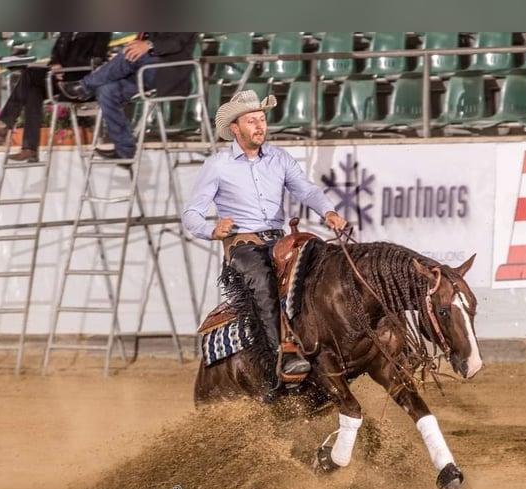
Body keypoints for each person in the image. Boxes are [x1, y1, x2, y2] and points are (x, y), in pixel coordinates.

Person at [182, 90, 347, 395]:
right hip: (243, 247)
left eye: (262, 119)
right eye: (252, 120)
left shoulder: (279, 158)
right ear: (236, 128)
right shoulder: (218, 165)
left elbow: (307, 191)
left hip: (278, 241)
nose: (260, 125)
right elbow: (191, 214)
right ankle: (279, 358)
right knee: (261, 282)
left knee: (323, 267)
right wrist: (212, 230)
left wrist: (328, 211)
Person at [58, 33, 197, 162]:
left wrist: (148, 45)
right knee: (107, 90)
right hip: (141, 72)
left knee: (128, 56)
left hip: (168, 70)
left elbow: (176, 42)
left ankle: (84, 86)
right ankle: (124, 150)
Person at [0, 32, 112, 162]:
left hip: (81, 82)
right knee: (32, 91)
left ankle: (5, 124)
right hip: (60, 77)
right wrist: (55, 64)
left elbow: (97, 60)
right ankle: (29, 148)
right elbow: (56, 52)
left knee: (30, 74)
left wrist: (65, 68)